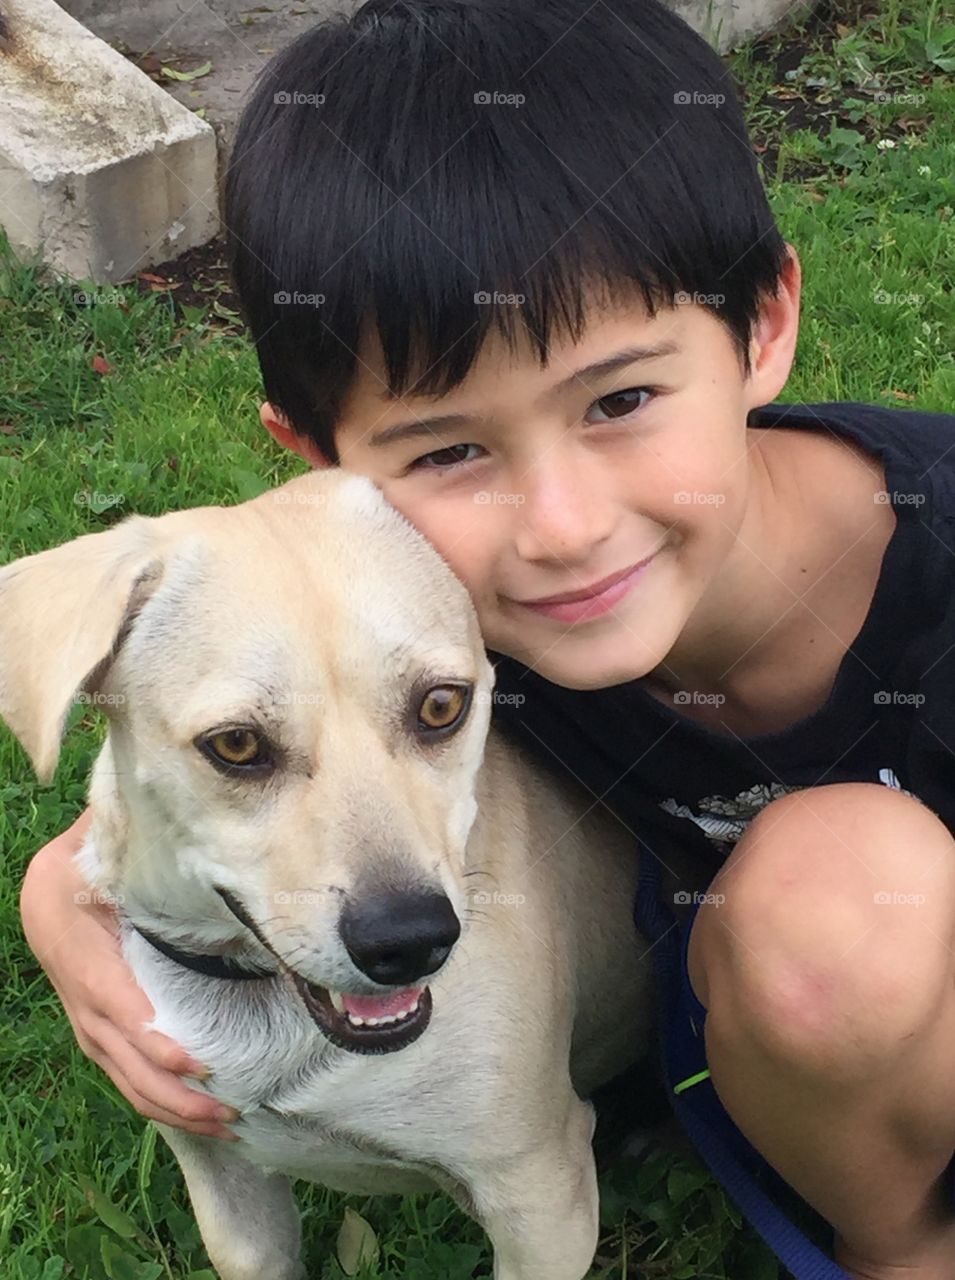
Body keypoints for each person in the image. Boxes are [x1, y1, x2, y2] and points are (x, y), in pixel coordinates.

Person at [17, 0, 955, 1275]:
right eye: (453, 449)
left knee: (837, 898)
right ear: (326, 465)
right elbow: (178, 770)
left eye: (622, 397)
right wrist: (58, 902)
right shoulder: (414, 601)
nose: (562, 527)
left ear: (764, 324)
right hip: (672, 980)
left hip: (861, 961)